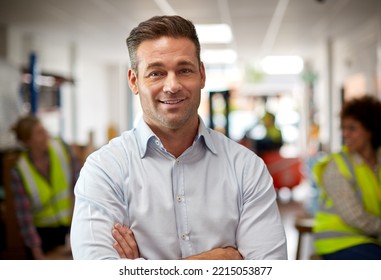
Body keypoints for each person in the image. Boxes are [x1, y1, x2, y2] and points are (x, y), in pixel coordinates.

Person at [70, 15, 287, 260]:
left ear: (202, 75)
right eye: (156, 73)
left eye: (184, 70)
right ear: (134, 81)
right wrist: (213, 261)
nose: (172, 85)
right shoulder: (105, 170)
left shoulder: (246, 168)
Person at [312, 95, 381, 260]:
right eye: (343, 128)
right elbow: (354, 217)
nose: (345, 134)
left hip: (370, 239)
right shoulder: (336, 165)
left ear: (371, 130)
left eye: (352, 128)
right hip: (337, 241)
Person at [10, 114, 80, 259]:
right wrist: (38, 254)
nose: (46, 135)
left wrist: (77, 229)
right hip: (40, 237)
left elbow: (79, 186)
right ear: (28, 141)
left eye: (44, 130)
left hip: (68, 228)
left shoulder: (62, 149)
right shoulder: (20, 171)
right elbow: (25, 217)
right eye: (39, 132)